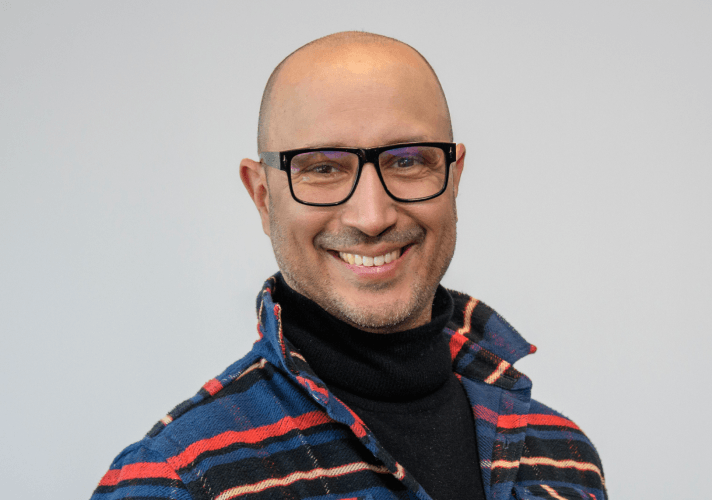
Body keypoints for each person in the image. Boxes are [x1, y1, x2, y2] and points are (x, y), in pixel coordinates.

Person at [91, 31, 606, 500]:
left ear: (453, 177)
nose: (372, 217)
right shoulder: (176, 479)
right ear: (263, 197)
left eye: (407, 160)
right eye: (322, 168)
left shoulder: (565, 456)